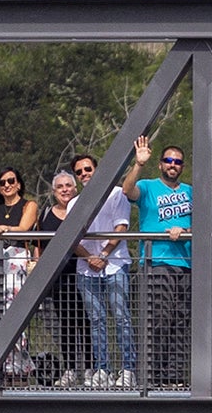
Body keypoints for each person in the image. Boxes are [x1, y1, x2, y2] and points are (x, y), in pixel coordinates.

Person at [122, 136, 191, 388]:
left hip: (186, 263)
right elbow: (128, 190)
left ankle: (174, 377)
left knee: (180, 321)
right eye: (168, 160)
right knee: (157, 321)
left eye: (178, 162)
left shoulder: (189, 192)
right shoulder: (148, 186)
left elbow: (204, 221)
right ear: (161, 164)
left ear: (182, 166)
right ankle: (152, 376)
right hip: (156, 261)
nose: (173, 164)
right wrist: (139, 164)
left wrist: (186, 229)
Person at [71, 154, 134, 388]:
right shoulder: (73, 203)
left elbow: (121, 227)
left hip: (115, 264)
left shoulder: (117, 194)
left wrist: (104, 254)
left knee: (121, 318)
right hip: (86, 269)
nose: (85, 174)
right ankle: (102, 368)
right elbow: (71, 237)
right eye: (79, 172)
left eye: (88, 169)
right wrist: (89, 258)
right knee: (95, 320)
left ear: (97, 169)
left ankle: (128, 369)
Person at [0, 166, 40, 380]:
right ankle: (4, 364)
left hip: (16, 256)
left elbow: (24, 227)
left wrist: (1, 228)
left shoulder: (28, 205)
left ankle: (20, 364)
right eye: (2, 182)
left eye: (11, 181)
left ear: (19, 183)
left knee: (14, 309)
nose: (7, 185)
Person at [35, 170, 90, 387]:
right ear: (53, 191)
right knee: (66, 324)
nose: (65, 190)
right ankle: (69, 369)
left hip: (84, 273)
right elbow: (38, 243)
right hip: (58, 277)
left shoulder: (83, 211)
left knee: (86, 323)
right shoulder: (47, 214)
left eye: (69, 185)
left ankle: (88, 368)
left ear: (75, 189)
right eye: (60, 187)